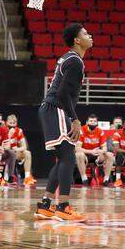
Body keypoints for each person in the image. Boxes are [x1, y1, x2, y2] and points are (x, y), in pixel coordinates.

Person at [34, 23, 91, 222]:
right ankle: (63, 207)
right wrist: (74, 119)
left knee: (63, 157)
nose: (89, 35)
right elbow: (63, 93)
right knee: (68, 158)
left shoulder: (70, 58)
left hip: (51, 109)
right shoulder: (75, 61)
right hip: (56, 108)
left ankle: (46, 205)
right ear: (77, 40)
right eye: (85, 33)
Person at [75, 113, 114, 186]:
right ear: (87, 122)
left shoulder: (100, 131)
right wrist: (91, 151)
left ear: (97, 123)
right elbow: (77, 148)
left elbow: (105, 148)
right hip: (85, 154)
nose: (93, 123)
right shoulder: (81, 130)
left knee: (110, 155)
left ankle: (106, 179)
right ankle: (84, 179)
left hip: (97, 155)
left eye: (94, 121)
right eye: (91, 121)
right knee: (78, 154)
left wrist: (100, 151)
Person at [2, 114, 34, 187]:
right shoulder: (3, 129)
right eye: (10, 123)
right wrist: (9, 136)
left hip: (15, 153)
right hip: (4, 153)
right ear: (6, 123)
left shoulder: (19, 131)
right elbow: (4, 146)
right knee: (10, 152)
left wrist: (17, 149)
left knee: (27, 153)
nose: (12, 125)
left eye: (14, 123)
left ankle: (27, 178)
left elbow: (24, 146)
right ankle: (5, 177)